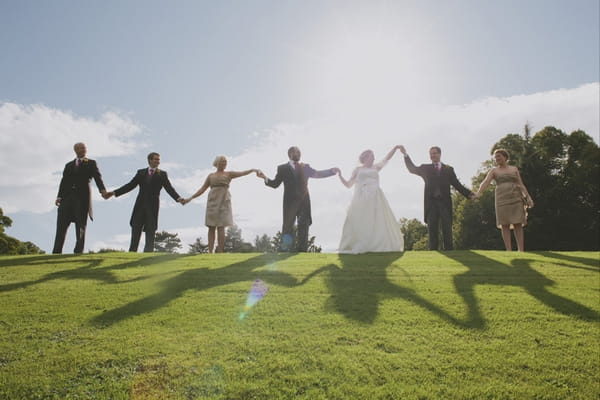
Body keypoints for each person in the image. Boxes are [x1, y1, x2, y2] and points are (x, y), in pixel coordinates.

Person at [261, 146, 339, 252]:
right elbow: (275, 184)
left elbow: (318, 174)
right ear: (290, 154)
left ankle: (302, 252)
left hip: (304, 202)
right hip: (289, 203)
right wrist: (264, 177)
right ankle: (284, 251)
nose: (298, 154)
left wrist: (331, 171)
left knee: (304, 226)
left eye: (299, 152)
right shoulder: (282, 168)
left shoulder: (305, 167)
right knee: (287, 227)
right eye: (295, 152)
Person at [104, 152, 184, 252]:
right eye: (155, 159)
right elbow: (130, 185)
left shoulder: (162, 174)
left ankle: (148, 254)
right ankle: (132, 252)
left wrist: (178, 198)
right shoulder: (141, 173)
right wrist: (113, 193)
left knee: (150, 231)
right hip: (140, 206)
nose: (158, 161)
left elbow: (169, 188)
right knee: (136, 230)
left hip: (153, 207)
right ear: (149, 160)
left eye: (159, 160)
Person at [399, 145, 474, 250]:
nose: (432, 155)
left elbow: (457, 185)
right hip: (431, 203)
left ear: (439, 154)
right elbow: (412, 169)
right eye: (431, 154)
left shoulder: (448, 169)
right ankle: (433, 252)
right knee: (432, 230)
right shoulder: (425, 168)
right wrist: (405, 155)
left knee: (447, 229)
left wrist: (470, 194)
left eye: (434, 153)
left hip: (445, 203)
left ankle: (449, 251)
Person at [183, 156, 262, 253]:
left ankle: (220, 251)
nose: (224, 163)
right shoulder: (210, 176)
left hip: (224, 201)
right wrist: (190, 198)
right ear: (216, 163)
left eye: (225, 162)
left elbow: (242, 173)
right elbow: (202, 189)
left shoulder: (229, 174)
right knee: (211, 226)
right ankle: (210, 251)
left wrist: (253, 170)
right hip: (212, 201)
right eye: (222, 162)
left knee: (221, 226)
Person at [337, 147, 404, 253]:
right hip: (362, 199)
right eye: (371, 156)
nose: (373, 157)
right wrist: (340, 175)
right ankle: (362, 242)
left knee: (378, 220)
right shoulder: (357, 170)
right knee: (362, 220)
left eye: (373, 156)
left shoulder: (376, 167)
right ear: (365, 157)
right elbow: (348, 185)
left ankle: (377, 243)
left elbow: (386, 158)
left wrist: (395, 148)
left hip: (376, 198)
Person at [52, 142, 108, 254]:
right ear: (75, 150)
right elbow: (63, 182)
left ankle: (78, 251)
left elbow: (98, 178)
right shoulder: (68, 165)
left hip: (82, 200)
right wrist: (59, 196)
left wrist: (103, 191)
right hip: (67, 199)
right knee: (61, 226)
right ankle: (56, 251)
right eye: (81, 148)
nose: (84, 150)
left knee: (80, 226)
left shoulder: (91, 163)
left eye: (84, 148)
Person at [475, 148, 534, 251]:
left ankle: (521, 249)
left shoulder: (514, 169)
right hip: (501, 198)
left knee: (518, 223)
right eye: (495, 157)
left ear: (505, 157)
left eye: (499, 156)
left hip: (515, 196)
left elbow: (521, 184)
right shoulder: (494, 170)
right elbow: (486, 182)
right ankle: (509, 250)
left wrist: (528, 197)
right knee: (504, 223)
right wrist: (479, 193)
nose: (497, 158)